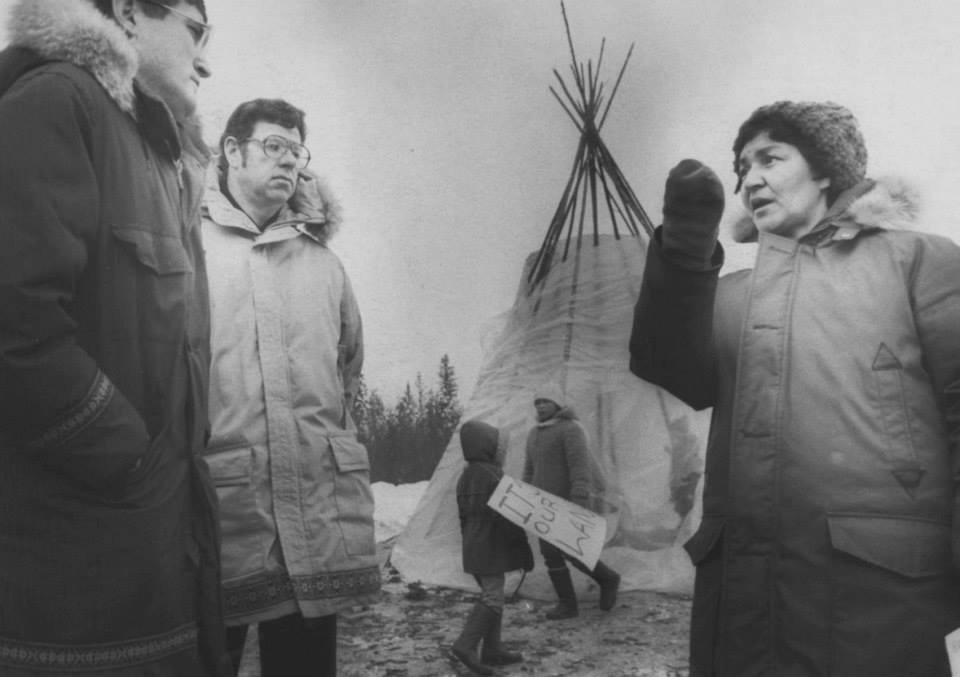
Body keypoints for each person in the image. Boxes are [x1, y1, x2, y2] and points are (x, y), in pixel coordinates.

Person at [629, 101, 960, 676]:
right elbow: (670, 367)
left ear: (826, 170)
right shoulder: (731, 294)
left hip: (877, 599)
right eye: (741, 169)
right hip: (740, 602)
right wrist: (684, 255)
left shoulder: (916, 261)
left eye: (770, 159)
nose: (749, 179)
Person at [0, 0, 229, 675]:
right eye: (195, 31)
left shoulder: (153, 153)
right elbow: (16, 322)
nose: (206, 59)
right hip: (74, 584)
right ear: (128, 12)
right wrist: (124, 453)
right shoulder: (58, 102)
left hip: (149, 555)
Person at [202, 98, 381, 677]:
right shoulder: (189, 248)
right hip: (222, 509)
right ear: (232, 151)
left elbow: (346, 370)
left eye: (296, 152)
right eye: (273, 146)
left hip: (315, 507)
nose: (289, 163)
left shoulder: (323, 265)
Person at [522, 385, 621, 620]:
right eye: (537, 402)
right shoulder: (534, 433)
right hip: (543, 505)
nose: (541, 406)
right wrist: (525, 495)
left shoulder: (570, 429)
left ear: (558, 405)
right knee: (549, 553)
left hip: (566, 502)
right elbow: (529, 469)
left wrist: (579, 498)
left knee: (573, 551)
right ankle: (567, 604)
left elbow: (580, 467)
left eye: (546, 401)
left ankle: (608, 579)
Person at [452, 419, 534, 675]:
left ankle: (493, 649)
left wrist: (470, 541)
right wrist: (523, 549)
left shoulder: (465, 476)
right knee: (492, 596)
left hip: (474, 546)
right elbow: (509, 517)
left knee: (493, 593)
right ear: (488, 447)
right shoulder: (494, 476)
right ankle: (466, 645)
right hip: (490, 547)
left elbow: (463, 518)